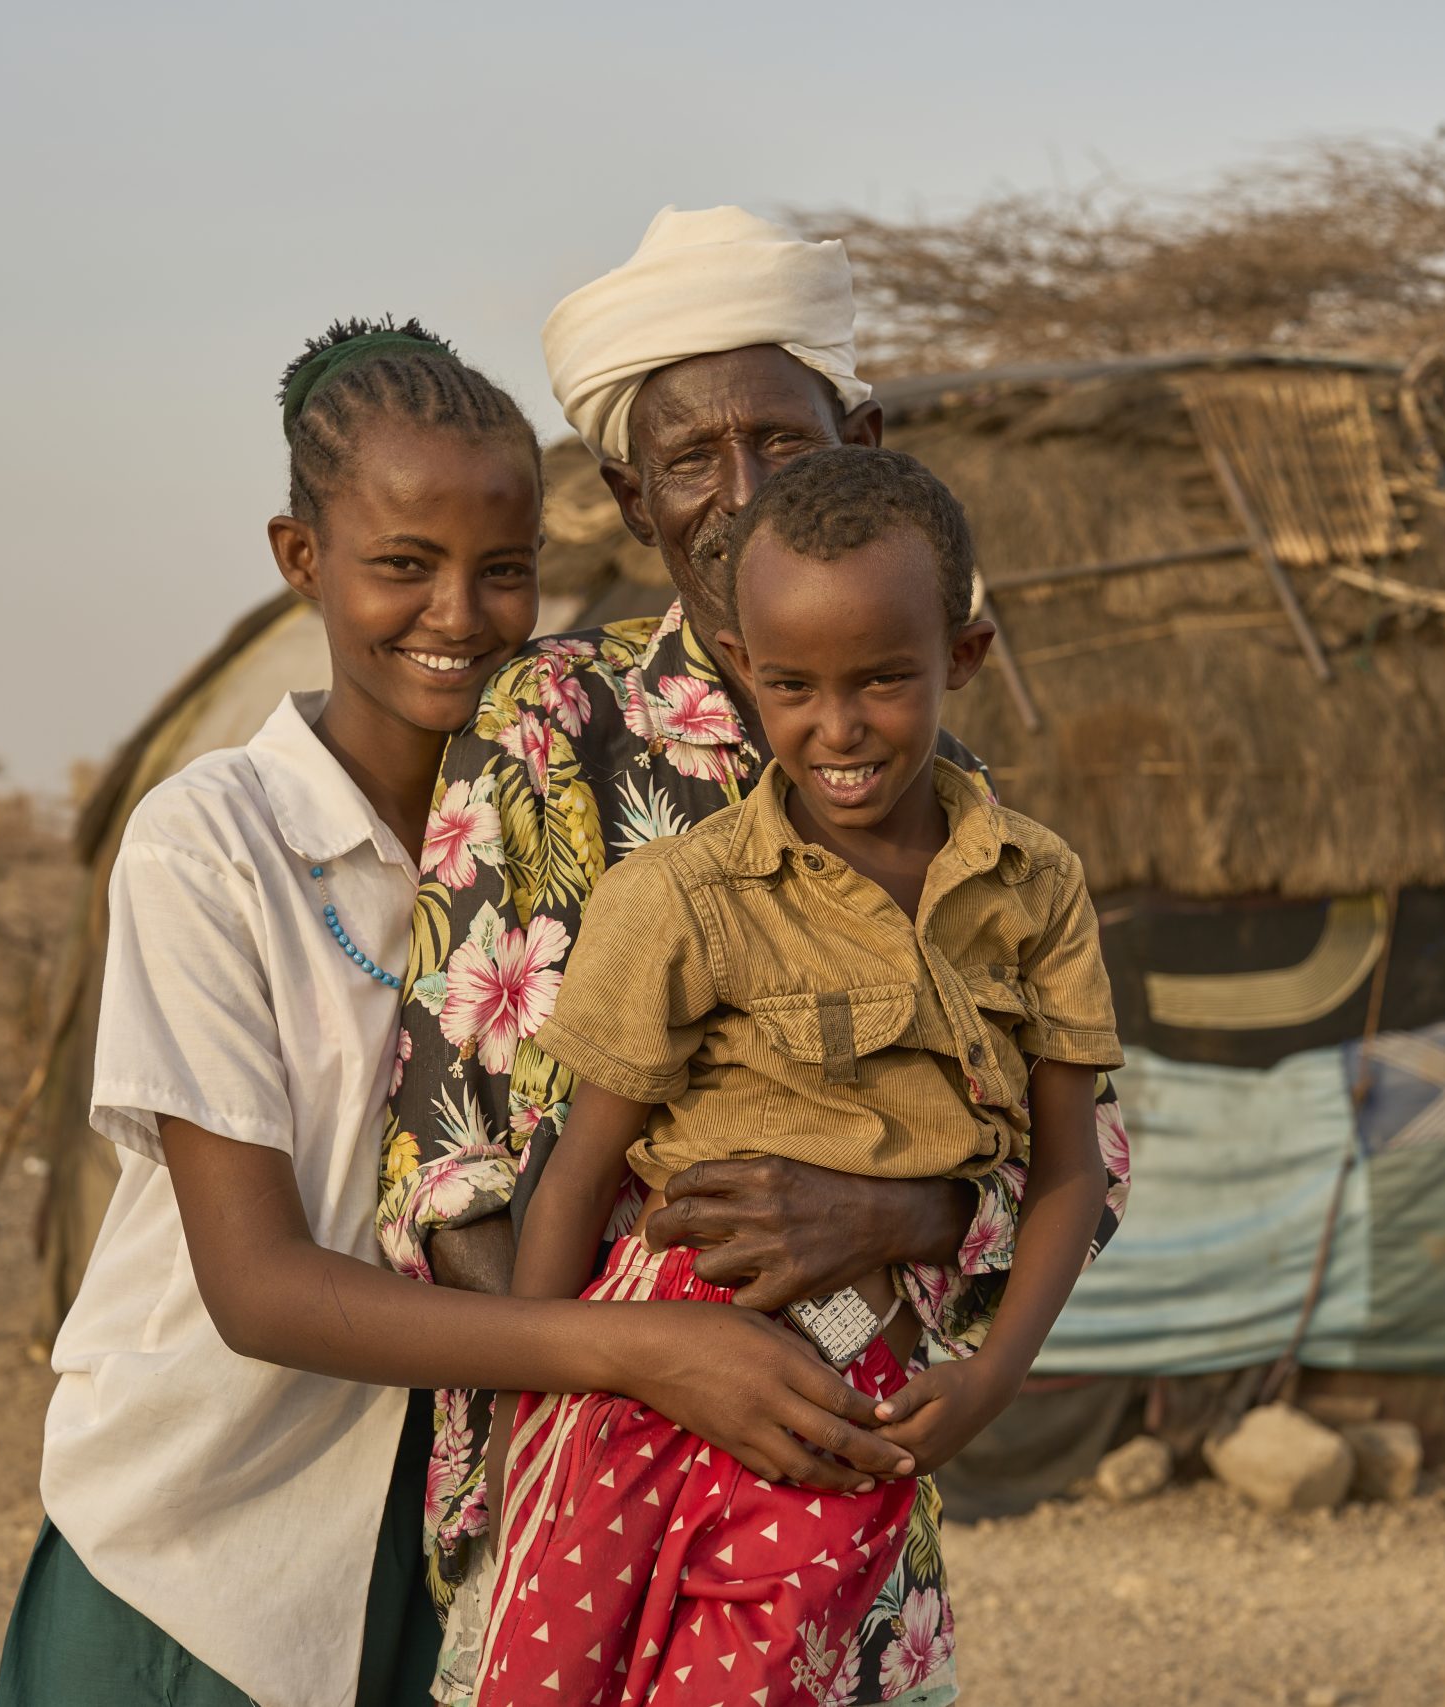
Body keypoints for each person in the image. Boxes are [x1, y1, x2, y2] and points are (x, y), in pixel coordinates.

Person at [0, 320, 912, 1707]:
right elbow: (257, 1287)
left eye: (503, 572)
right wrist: (643, 1351)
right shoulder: (217, 846)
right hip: (195, 1551)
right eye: (402, 567)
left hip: (449, 1535)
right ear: (302, 562)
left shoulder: (584, 820)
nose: (457, 616)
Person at [380, 207, 1133, 1707]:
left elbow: (1077, 1163)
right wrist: (644, 1365)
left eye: (782, 447)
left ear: (854, 438)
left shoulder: (957, 810)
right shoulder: (554, 729)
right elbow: (453, 1161)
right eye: (688, 461)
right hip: (593, 1472)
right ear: (629, 496)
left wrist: (899, 1211)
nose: (737, 500)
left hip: (844, 1471)